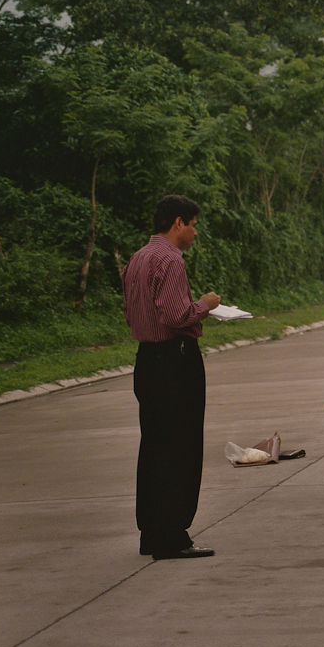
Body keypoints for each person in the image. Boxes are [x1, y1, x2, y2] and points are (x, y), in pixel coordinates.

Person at [121, 193, 222, 560]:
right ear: (178, 222)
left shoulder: (137, 259)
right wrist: (207, 305)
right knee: (180, 447)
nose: (195, 232)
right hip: (175, 361)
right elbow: (178, 316)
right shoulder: (170, 260)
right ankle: (173, 534)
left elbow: (130, 312)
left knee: (154, 447)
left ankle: (152, 531)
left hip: (147, 360)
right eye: (193, 225)